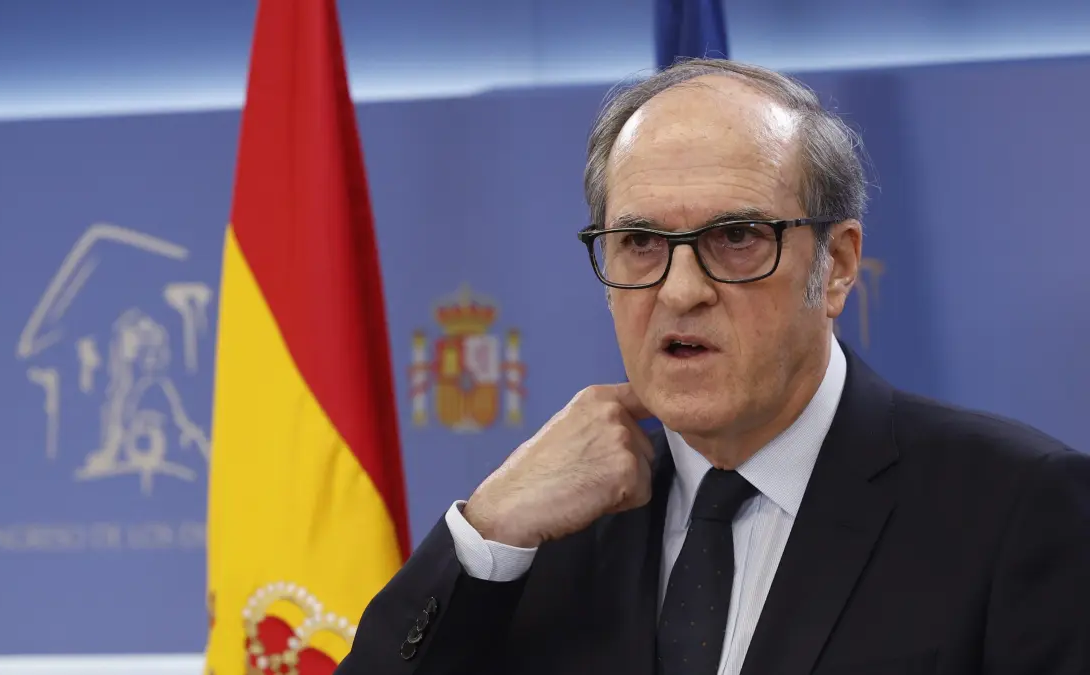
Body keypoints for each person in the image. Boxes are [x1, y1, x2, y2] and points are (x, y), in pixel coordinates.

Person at [335, 58, 1090, 675]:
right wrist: (489, 529)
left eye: (736, 238)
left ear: (836, 266)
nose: (681, 290)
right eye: (640, 243)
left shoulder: (1015, 509)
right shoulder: (545, 537)